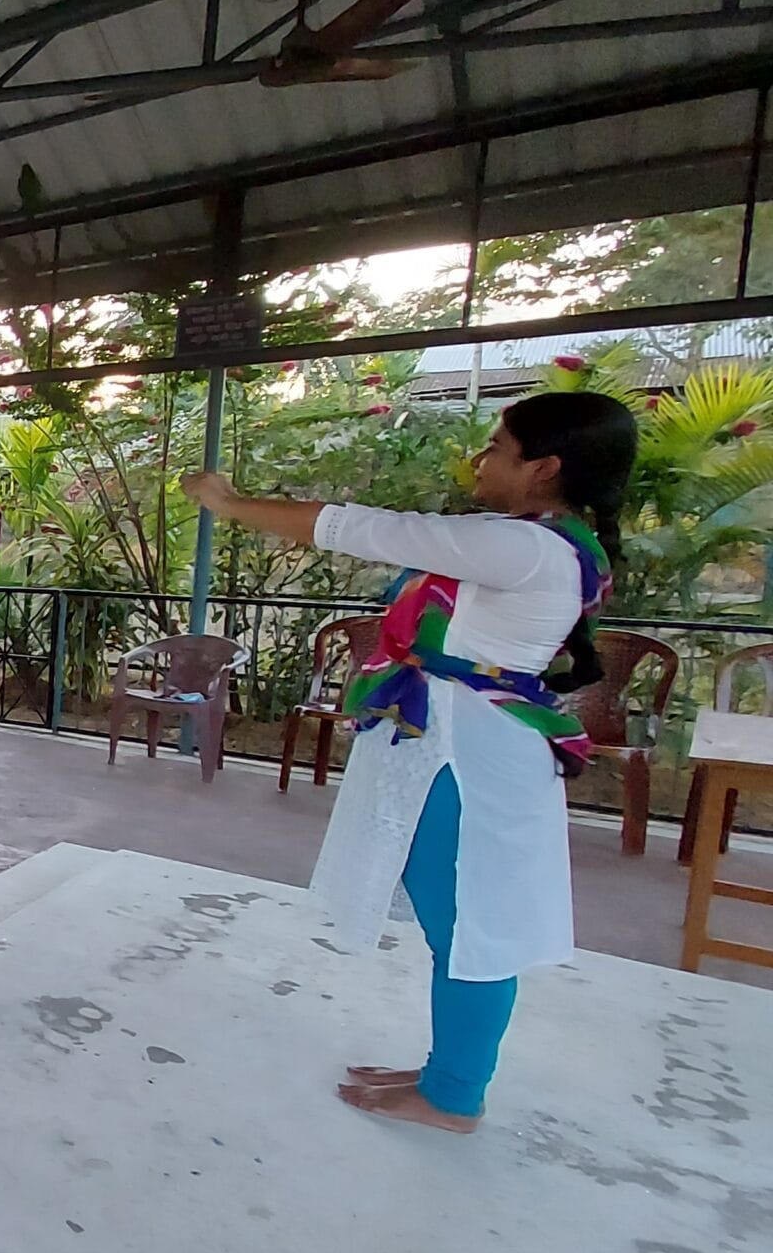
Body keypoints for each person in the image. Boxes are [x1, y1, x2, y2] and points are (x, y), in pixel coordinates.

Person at [181, 389, 638, 1134]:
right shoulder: (536, 541)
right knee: (452, 919)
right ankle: (446, 1071)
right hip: (461, 745)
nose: (483, 458)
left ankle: (455, 1092)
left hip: (475, 754)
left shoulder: (527, 546)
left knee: (468, 926)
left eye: (499, 446)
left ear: (545, 468)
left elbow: (369, 530)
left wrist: (230, 505)